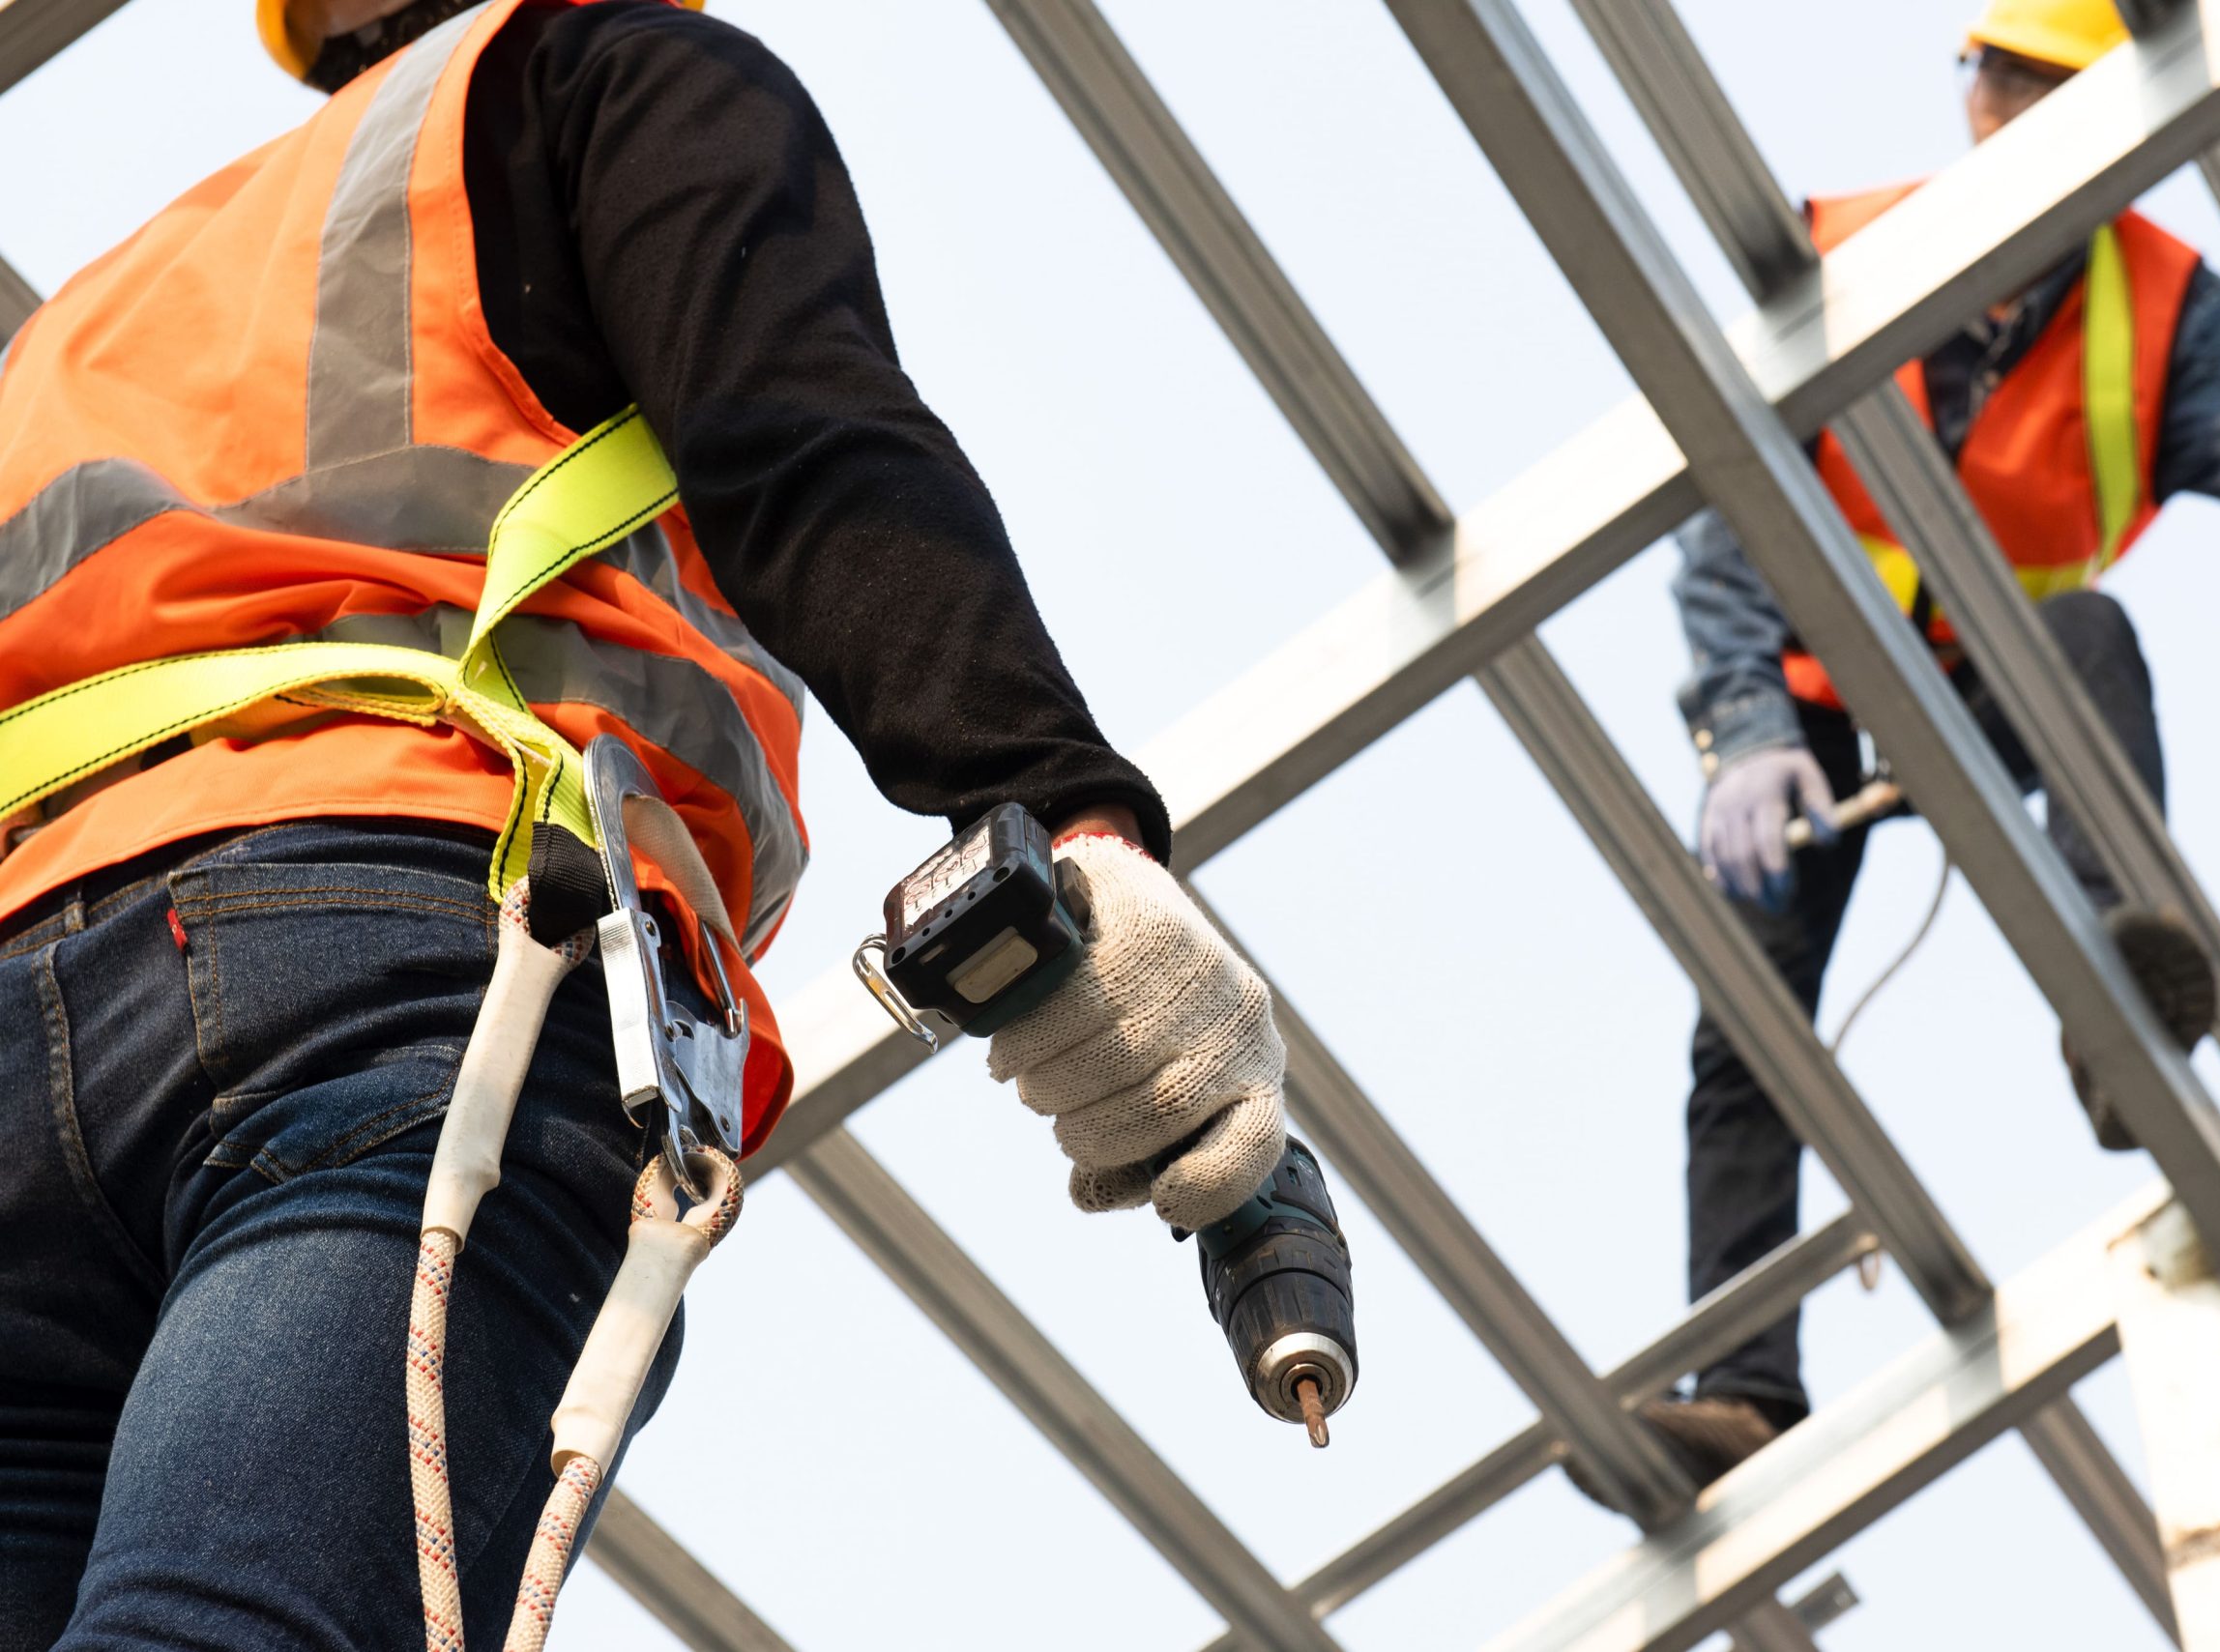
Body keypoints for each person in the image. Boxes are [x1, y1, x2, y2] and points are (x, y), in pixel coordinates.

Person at [0, 2, 1289, 1645]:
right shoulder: (579, 74)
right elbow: (800, 436)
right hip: (390, 956)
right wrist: (1060, 810)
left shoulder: (88, 318)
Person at [1636, 0, 2220, 1491]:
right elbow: (1722, 537)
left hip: (2007, 681)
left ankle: (2115, 1005)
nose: (2037, 127)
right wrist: (1744, 730)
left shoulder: (2167, 312)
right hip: (1819, 708)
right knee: (1746, 1032)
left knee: (2088, 633)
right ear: (1975, 98)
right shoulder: (1831, 255)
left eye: (2071, 98)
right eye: (2017, 88)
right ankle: (1743, 1389)